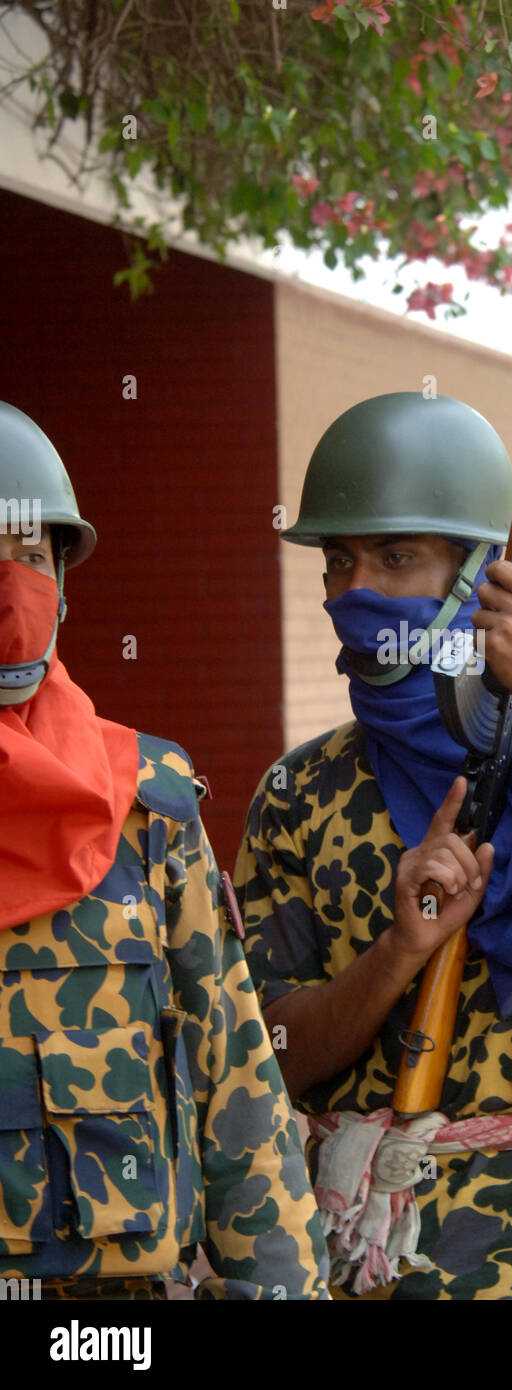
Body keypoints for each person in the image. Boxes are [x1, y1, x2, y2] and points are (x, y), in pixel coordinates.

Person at [234, 391, 512, 1301]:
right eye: (339, 560)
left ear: (483, 576)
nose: (357, 587)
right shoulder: (301, 791)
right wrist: (401, 952)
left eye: (397, 556)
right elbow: (271, 1051)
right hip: (358, 1239)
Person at [0, 401, 329, 1300]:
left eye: (30, 556)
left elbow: (233, 1069)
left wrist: (280, 1288)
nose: (12, 589)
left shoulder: (144, 797)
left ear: (64, 579)